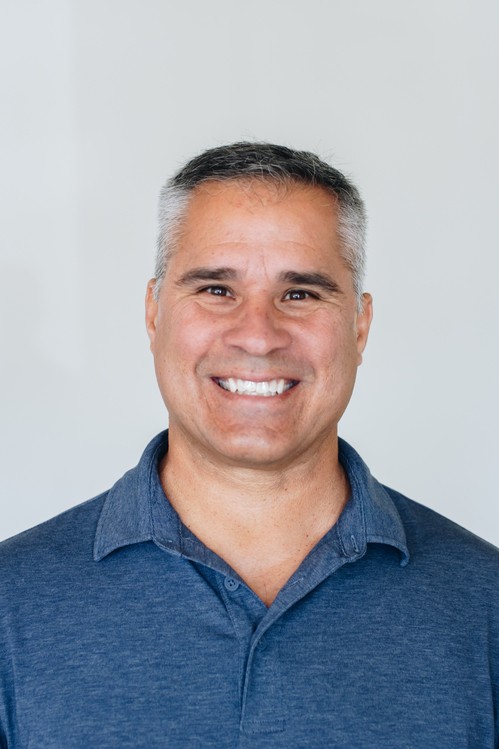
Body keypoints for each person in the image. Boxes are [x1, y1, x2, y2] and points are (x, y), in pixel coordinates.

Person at [1, 142, 498, 749]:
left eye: (301, 294)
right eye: (216, 289)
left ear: (360, 327)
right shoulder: (10, 605)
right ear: (154, 314)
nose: (258, 336)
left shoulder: (487, 606)